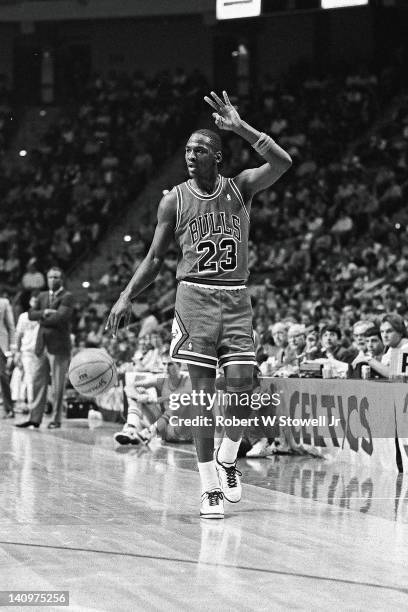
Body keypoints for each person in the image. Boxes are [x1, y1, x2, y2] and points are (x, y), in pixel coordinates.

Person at [107, 90, 292, 518]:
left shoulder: (241, 188)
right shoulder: (173, 199)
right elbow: (154, 259)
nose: (192, 154)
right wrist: (125, 296)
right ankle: (208, 482)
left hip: (236, 297)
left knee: (244, 384)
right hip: (193, 298)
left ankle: (229, 457)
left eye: (202, 149)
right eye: (189, 149)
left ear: (218, 157)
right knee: (204, 397)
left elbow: (283, 164)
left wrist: (241, 127)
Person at [16, 267, 74, 429]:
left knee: (57, 386)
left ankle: (56, 419)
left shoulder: (67, 297)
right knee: (36, 382)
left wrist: (41, 317)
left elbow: (60, 318)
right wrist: (45, 313)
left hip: (59, 346)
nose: (52, 280)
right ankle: (34, 418)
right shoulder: (41, 296)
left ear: (61, 279)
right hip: (41, 345)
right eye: (50, 277)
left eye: (56, 277)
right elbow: (29, 314)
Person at [114, 359, 193, 445]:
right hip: (162, 425)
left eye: (169, 364)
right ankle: (131, 429)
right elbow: (129, 387)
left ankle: (146, 433)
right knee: (139, 393)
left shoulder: (188, 381)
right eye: (164, 364)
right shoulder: (162, 379)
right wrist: (139, 397)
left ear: (179, 366)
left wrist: (151, 400)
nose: (166, 367)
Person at [0, 294, 16, 418]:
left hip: (1, 345)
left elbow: (11, 326)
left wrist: (12, 347)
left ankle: (9, 408)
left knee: (3, 376)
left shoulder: (4, 302)